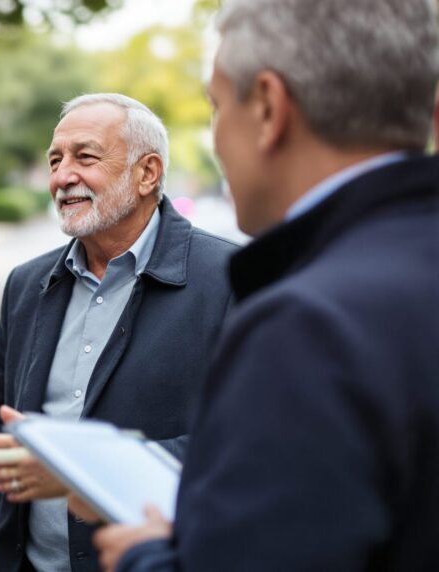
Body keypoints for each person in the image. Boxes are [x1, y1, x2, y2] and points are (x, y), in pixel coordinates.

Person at [95, 1, 439, 570]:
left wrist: (150, 556)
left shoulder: (308, 327)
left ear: (269, 109)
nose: (215, 137)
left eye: (216, 104)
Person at [0, 94, 236, 571]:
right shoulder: (27, 284)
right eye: (55, 160)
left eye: (85, 157)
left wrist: (81, 473)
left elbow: (245, 444)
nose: (63, 176)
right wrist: (1, 517)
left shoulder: (231, 280)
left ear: (147, 173)